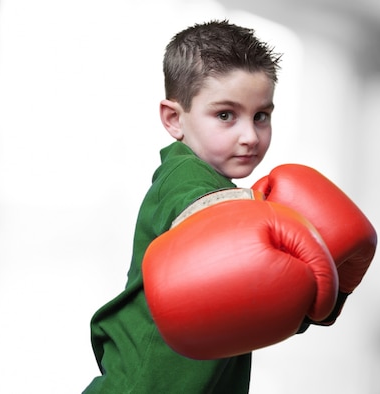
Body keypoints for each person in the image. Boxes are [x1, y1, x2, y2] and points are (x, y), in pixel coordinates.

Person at [84, 20, 282, 393]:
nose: (250, 136)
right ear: (174, 119)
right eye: (226, 115)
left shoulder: (233, 195)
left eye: (261, 116)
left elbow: (263, 304)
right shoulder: (184, 174)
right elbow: (202, 212)